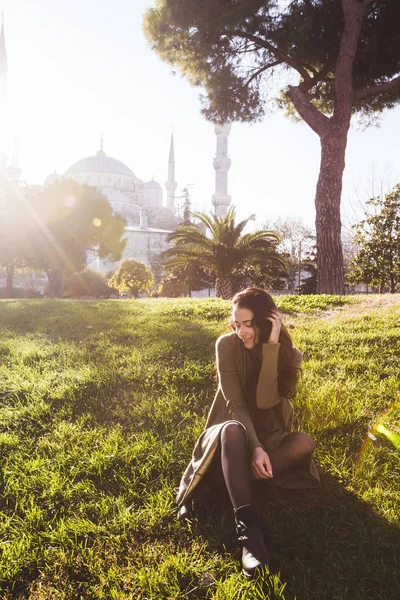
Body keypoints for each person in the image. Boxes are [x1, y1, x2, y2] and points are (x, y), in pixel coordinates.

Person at [176, 288, 320, 578]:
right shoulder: (226, 345)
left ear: (267, 322)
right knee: (233, 430)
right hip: (228, 439)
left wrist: (272, 346)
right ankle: (249, 532)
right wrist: (255, 448)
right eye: (236, 323)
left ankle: (230, 484)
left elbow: (266, 400)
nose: (241, 331)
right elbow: (237, 406)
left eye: (248, 324)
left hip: (270, 438)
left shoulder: (289, 355)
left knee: (304, 443)